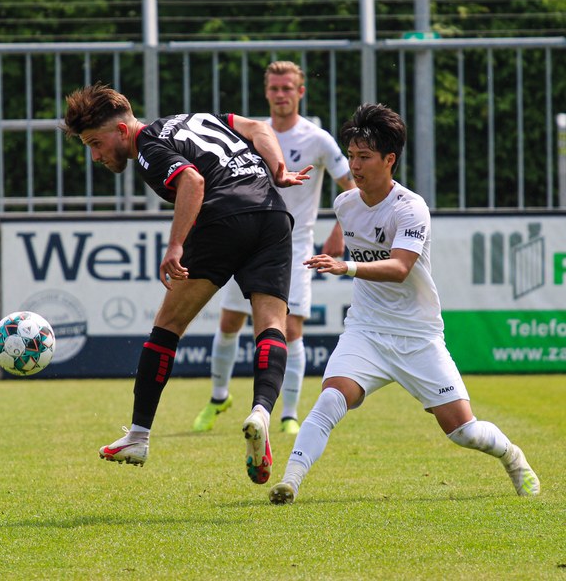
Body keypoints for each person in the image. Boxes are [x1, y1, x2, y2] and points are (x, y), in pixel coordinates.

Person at [269, 103, 540, 504]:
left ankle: (512, 457)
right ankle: (289, 482)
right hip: (366, 330)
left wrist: (346, 267)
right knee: (330, 398)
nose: (354, 165)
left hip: (417, 336)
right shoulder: (345, 204)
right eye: (351, 155)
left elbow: (399, 268)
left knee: (463, 431)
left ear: (389, 159)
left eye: (364, 157)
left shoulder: (410, 208)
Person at [62, 82, 312, 485]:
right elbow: (259, 129)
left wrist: (175, 245)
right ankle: (262, 412)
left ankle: (138, 436)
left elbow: (192, 182)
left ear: (122, 130)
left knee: (168, 326)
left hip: (223, 215)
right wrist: (278, 168)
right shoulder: (199, 118)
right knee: (271, 324)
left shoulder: (147, 144)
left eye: (95, 143)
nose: (95, 155)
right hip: (272, 213)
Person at [193, 61, 354, 436]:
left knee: (290, 328)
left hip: (294, 246)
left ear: (300, 92)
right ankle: (219, 398)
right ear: (266, 92)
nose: (281, 95)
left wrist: (340, 231)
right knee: (229, 321)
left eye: (287, 88)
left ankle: (289, 415)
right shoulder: (253, 133)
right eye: (275, 89)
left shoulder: (318, 139)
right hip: (247, 241)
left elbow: (352, 187)